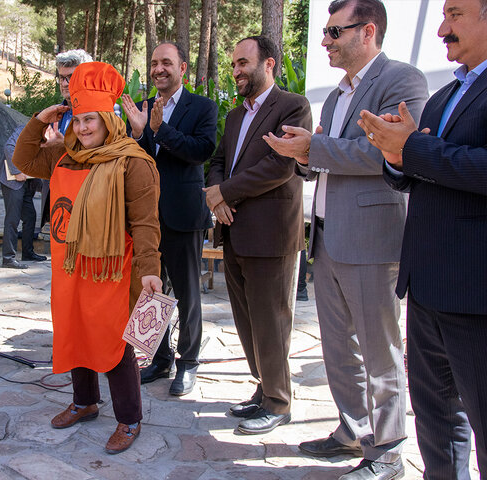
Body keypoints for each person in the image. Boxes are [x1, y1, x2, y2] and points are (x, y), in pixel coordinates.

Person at [263, 1, 428, 478]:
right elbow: (327, 161)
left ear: (367, 31)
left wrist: (313, 148)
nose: (325, 42)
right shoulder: (335, 98)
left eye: (334, 32)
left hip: (372, 242)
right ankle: (352, 430)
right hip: (328, 239)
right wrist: (301, 154)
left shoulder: (402, 80)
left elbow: (385, 152)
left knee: (380, 353)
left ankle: (389, 452)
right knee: (338, 348)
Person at [358, 0, 487, 476]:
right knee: (436, 422)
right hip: (427, 285)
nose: (441, 29)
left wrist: (413, 147)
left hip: (475, 291)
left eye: (454, 14)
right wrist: (396, 158)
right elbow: (419, 171)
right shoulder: (445, 94)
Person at [12, 62, 161, 454]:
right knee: (75, 333)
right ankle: (85, 402)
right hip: (70, 267)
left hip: (113, 270)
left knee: (113, 344)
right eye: (77, 120)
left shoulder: (133, 162)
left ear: (108, 120)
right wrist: (39, 119)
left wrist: (150, 272)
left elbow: (146, 223)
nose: (82, 128)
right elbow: (24, 161)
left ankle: (129, 419)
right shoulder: (64, 155)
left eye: (90, 119)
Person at [205, 36, 312, 435]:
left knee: (271, 321)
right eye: (233, 64)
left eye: (243, 62)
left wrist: (225, 192)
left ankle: (279, 401)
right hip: (232, 230)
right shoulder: (235, 116)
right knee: (247, 321)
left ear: (269, 63)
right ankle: (264, 388)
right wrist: (217, 199)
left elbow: (280, 165)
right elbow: (218, 161)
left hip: (271, 235)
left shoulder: (293, 106)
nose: (236, 71)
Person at [122, 42, 218, 396]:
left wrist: (161, 131)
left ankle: (187, 362)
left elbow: (201, 152)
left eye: (166, 62)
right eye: (153, 63)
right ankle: (159, 359)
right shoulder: (142, 108)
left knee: (189, 295)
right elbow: (140, 161)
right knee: (150, 292)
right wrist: (136, 133)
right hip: (148, 218)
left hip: (183, 215)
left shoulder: (203, 107)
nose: (158, 69)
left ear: (183, 69)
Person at [39, 49, 94, 234]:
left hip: (89, 203)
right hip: (59, 202)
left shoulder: (106, 109)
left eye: (70, 77)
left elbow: (105, 154)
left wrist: (64, 146)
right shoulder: (57, 112)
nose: (64, 83)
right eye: (61, 77)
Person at [0, 124, 46, 269]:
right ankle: (8, 258)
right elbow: (9, 147)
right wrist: (17, 172)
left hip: (27, 182)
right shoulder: (25, 129)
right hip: (12, 181)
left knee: (30, 216)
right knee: (13, 219)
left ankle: (28, 253)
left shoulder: (50, 135)